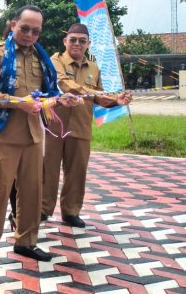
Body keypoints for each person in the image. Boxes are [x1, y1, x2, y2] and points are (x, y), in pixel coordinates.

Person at [0, 5, 65, 269]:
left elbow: (47, 96)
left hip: (33, 136)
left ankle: (25, 241)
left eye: (35, 31)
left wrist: (60, 101)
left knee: (32, 192)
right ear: (13, 24)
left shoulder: (42, 58)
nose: (29, 34)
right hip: (4, 136)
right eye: (25, 28)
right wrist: (19, 103)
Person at [42, 23, 132, 227]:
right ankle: (43, 209)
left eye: (82, 41)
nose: (77, 44)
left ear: (88, 44)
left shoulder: (93, 67)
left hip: (81, 127)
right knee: (48, 170)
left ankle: (71, 211)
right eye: (72, 39)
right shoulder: (55, 61)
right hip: (54, 128)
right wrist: (94, 93)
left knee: (77, 172)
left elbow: (99, 96)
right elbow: (64, 84)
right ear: (65, 41)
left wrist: (116, 100)